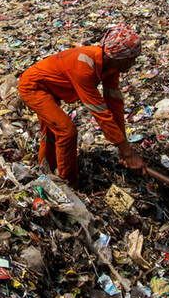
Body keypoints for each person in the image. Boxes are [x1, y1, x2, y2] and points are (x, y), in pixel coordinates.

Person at [18, 24, 146, 188]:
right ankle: (69, 185)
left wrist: (123, 146)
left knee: (51, 133)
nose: (134, 63)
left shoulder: (110, 67)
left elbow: (115, 105)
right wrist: (127, 152)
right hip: (33, 87)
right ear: (120, 57)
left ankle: (45, 172)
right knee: (67, 132)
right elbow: (100, 113)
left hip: (51, 90)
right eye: (132, 59)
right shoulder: (84, 67)